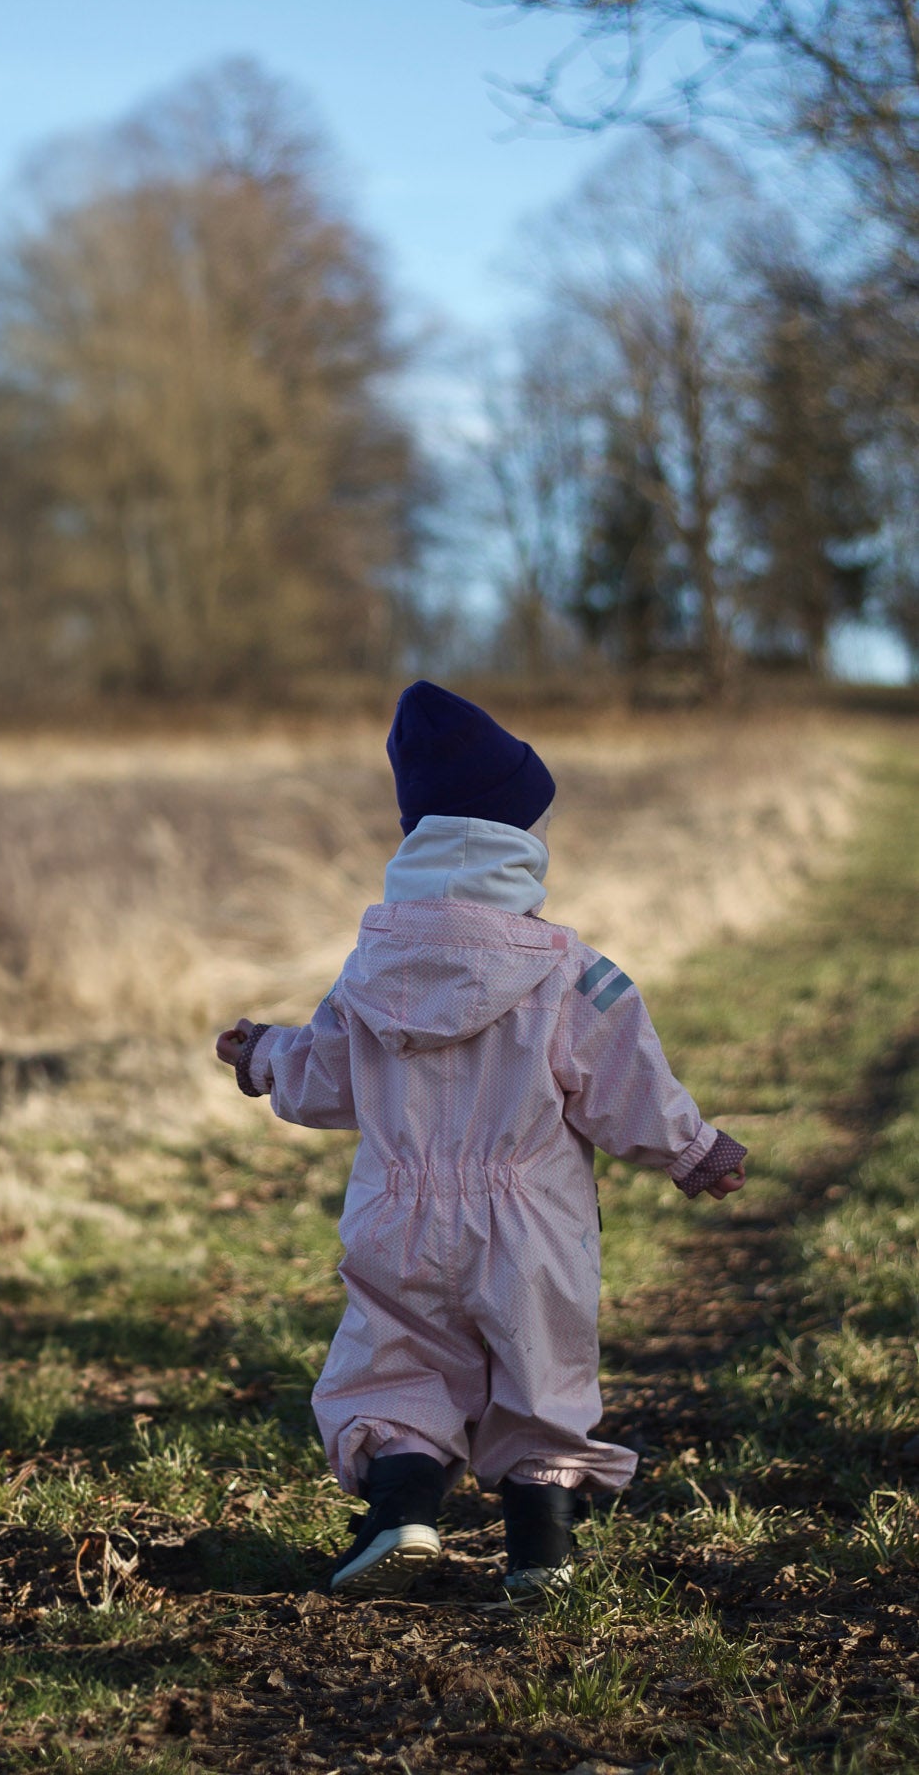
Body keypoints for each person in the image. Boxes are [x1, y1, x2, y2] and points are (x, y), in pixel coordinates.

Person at [215, 681, 747, 1605]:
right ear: (520, 843)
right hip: (531, 1219)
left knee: (397, 1359)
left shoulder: (372, 970)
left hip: (398, 1209)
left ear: (415, 842)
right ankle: (541, 1550)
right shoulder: (572, 971)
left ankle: (403, 1513)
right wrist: (690, 1149)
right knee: (541, 1374)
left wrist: (263, 1056)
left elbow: (330, 1075)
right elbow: (625, 1080)